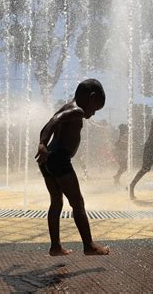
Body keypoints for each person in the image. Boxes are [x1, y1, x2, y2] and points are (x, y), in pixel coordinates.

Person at [35, 78, 110, 256]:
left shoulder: (66, 107)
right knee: (77, 202)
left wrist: (43, 144)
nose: (93, 114)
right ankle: (89, 245)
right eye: (95, 108)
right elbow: (54, 121)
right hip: (59, 159)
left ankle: (55, 246)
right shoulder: (76, 111)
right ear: (91, 98)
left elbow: (49, 124)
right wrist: (42, 144)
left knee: (56, 202)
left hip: (48, 160)